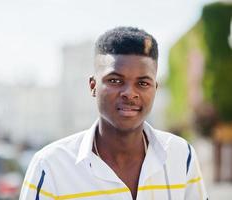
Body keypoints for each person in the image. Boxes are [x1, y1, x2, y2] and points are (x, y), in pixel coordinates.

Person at [20, 27, 208, 200]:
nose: (130, 93)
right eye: (115, 80)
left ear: (155, 89)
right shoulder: (50, 166)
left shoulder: (182, 156)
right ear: (93, 86)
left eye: (143, 83)